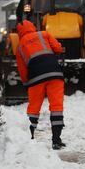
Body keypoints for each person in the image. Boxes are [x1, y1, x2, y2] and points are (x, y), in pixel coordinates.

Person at [15, 20, 66, 150]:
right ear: (33, 27)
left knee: (33, 108)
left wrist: (26, 83)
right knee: (56, 106)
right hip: (55, 74)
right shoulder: (44, 34)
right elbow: (58, 48)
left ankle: (29, 137)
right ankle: (56, 140)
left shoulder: (20, 46)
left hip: (35, 78)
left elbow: (22, 69)